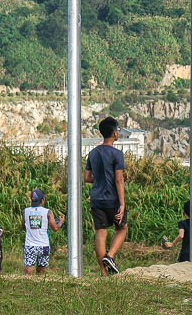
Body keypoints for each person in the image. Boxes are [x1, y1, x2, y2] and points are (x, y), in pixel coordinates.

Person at [84, 116, 128, 274]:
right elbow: (119, 180)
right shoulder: (117, 154)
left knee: (101, 233)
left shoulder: (93, 153)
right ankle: (110, 256)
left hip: (96, 199)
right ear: (115, 134)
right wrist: (122, 204)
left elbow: (87, 178)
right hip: (112, 199)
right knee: (122, 228)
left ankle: (104, 272)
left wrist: (100, 178)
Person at [22, 188, 64, 276]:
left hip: (30, 245)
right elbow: (55, 228)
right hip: (44, 246)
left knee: (28, 271)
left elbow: (24, 227)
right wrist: (60, 222)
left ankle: (27, 286)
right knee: (41, 271)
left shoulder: (25, 211)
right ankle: (40, 286)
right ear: (43, 200)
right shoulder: (48, 212)